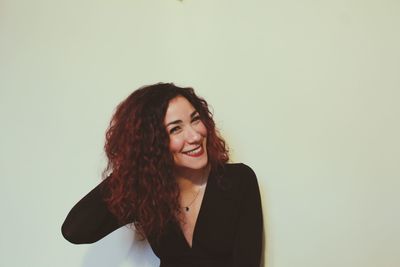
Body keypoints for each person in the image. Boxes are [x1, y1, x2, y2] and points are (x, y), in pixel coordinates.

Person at [61, 83, 263, 267]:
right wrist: (134, 164)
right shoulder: (148, 193)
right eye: (176, 129)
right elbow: (75, 230)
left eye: (195, 119)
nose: (195, 135)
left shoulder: (238, 180)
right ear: (152, 143)